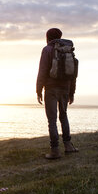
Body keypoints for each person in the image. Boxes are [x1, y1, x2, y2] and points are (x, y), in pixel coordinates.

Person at [36, 28, 79, 159]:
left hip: (51, 89)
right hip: (65, 88)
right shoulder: (68, 50)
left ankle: (55, 150)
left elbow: (42, 71)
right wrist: (72, 92)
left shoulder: (47, 50)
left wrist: (38, 90)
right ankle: (68, 146)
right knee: (64, 116)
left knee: (52, 120)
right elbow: (73, 75)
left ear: (47, 37)